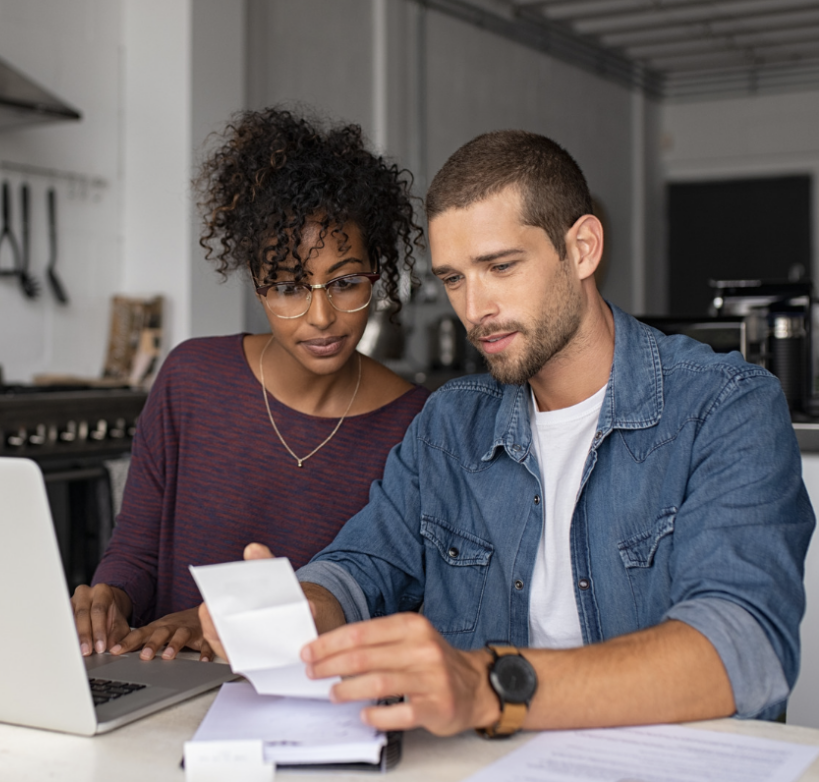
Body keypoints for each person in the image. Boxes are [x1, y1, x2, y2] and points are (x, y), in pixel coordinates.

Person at [201, 129, 815, 736]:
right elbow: (363, 564)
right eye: (454, 278)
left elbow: (746, 648)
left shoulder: (726, 406)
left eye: (499, 267)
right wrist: (302, 607)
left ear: (582, 249)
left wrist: (492, 686)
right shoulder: (449, 425)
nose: (474, 309)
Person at [71, 107, 429, 663]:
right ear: (258, 287)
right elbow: (136, 554)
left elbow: (392, 601)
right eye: (288, 287)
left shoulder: (416, 425)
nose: (320, 317)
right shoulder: (190, 379)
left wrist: (218, 623)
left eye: (346, 282)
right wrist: (109, 599)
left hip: (314, 708)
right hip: (165, 687)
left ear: (377, 274)